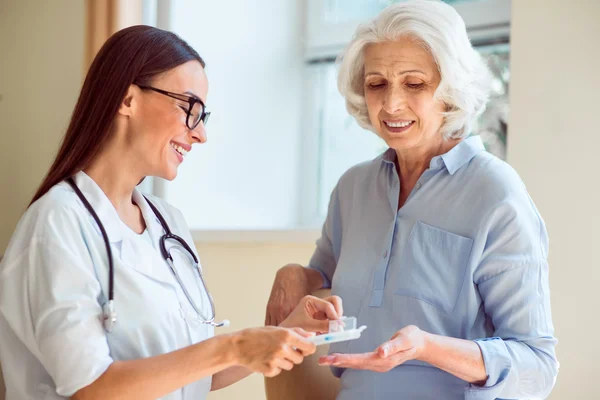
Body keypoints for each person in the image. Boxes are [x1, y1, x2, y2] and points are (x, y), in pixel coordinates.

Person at [0, 25, 343, 400]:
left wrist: (289, 330)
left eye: (202, 116)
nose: (200, 135)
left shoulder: (168, 224)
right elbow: (90, 388)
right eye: (188, 109)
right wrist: (233, 346)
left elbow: (197, 375)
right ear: (127, 99)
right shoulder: (57, 223)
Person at [265, 1, 559, 399]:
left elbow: (537, 366)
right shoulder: (353, 188)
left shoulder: (495, 192)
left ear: (450, 91)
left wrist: (428, 347)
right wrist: (293, 273)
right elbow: (326, 284)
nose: (391, 104)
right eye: (376, 84)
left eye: (414, 83)